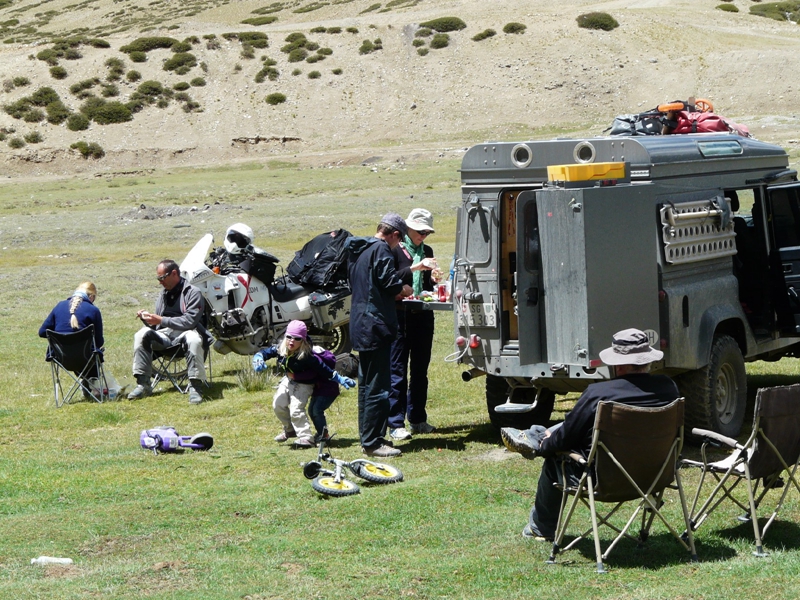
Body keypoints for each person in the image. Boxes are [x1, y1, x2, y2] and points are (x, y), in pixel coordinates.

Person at [500, 328, 678, 541]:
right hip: (656, 475)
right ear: (647, 360)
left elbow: (567, 438)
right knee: (568, 427)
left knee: (554, 459)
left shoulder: (599, 394)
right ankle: (535, 434)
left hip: (603, 480)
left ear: (618, 364)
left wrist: (546, 448)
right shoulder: (669, 389)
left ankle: (541, 527)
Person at [348, 212, 413, 457]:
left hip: (360, 323)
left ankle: (367, 437)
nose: (399, 245)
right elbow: (389, 283)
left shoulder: (360, 250)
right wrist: (403, 288)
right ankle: (374, 442)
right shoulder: (383, 250)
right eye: (400, 239)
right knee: (378, 387)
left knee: (366, 386)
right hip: (375, 326)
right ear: (394, 234)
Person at [252, 320, 355, 447]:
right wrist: (258, 358)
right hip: (288, 380)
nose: (291, 341)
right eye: (289, 337)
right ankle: (290, 430)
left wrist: (340, 379)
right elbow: (265, 353)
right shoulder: (281, 348)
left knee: (296, 410)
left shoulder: (308, 356)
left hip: (304, 384)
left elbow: (325, 370)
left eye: (297, 338)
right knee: (277, 404)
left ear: (303, 340)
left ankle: (306, 438)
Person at [388, 208, 440, 441]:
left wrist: (434, 279)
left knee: (420, 370)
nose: (423, 237)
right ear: (407, 230)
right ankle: (395, 422)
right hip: (401, 316)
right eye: (420, 232)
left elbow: (426, 284)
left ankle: (417, 418)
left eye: (426, 233)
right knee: (397, 371)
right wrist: (416, 268)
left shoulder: (426, 251)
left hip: (423, 314)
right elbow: (389, 278)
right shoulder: (395, 250)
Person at [128, 259, 208, 404]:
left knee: (193, 339)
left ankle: (195, 387)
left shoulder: (193, 292)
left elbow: (190, 322)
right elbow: (157, 326)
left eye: (162, 278)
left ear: (174, 273)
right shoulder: (162, 295)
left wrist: (161, 320)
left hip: (186, 333)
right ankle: (143, 384)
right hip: (164, 335)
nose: (160, 282)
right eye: (158, 279)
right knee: (141, 334)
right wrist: (147, 319)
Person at [39, 282, 104, 383]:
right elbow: (99, 342)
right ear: (91, 296)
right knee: (92, 353)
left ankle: (87, 384)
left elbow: (42, 332)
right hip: (85, 357)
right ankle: (92, 384)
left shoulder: (59, 306)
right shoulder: (93, 310)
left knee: (82, 353)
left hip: (61, 357)